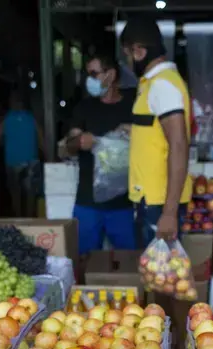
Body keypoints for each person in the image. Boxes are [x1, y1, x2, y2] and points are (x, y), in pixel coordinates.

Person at [120, 18, 193, 349]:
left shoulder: (163, 85)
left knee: (170, 283)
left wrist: (168, 211)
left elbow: (179, 144)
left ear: (138, 50)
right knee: (160, 282)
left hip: (158, 206)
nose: (126, 61)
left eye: (126, 54)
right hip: (149, 202)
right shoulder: (153, 85)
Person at [64, 54, 137, 257]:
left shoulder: (132, 107)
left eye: (94, 74)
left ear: (111, 75)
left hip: (124, 204)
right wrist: (77, 142)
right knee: (82, 261)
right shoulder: (84, 108)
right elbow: (67, 147)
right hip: (88, 203)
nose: (90, 79)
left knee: (130, 261)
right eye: (89, 74)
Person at [0, 91, 43, 217]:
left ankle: (18, 220)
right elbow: (41, 139)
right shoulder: (31, 118)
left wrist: (7, 141)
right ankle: (29, 220)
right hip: (31, 161)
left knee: (15, 194)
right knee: (30, 194)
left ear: (11, 104)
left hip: (12, 162)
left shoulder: (7, 119)